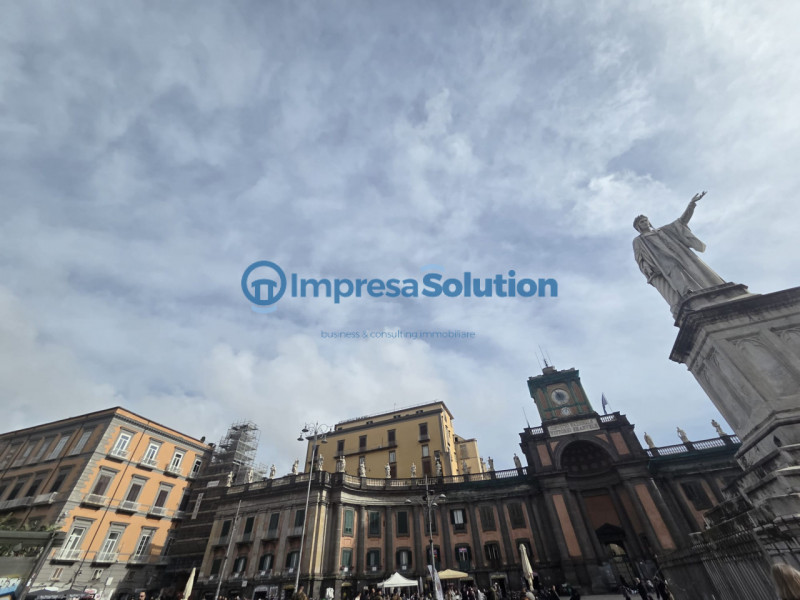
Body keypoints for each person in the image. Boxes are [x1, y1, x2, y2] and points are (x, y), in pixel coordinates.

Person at [632, 191, 726, 316]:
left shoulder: (664, 230)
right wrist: (648, 269)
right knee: (679, 280)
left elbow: (682, 221)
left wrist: (691, 204)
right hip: (665, 263)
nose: (644, 223)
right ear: (638, 227)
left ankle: (716, 290)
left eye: (645, 220)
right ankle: (689, 295)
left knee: (699, 272)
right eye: (641, 222)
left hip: (683, 256)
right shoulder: (639, 240)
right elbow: (640, 259)